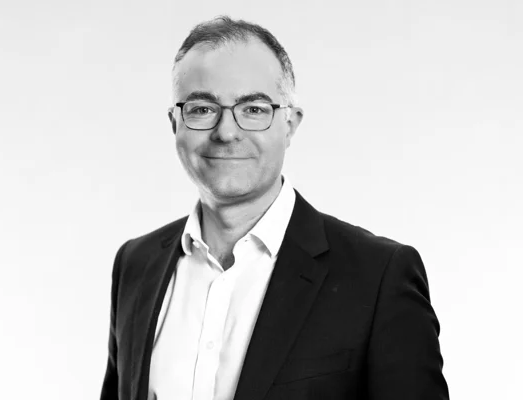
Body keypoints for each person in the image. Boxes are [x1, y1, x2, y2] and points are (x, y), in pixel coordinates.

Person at [100, 16, 449, 400]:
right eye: (202, 108)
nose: (226, 132)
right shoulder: (135, 265)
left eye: (253, 109)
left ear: (290, 124)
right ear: (174, 123)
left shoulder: (378, 276)